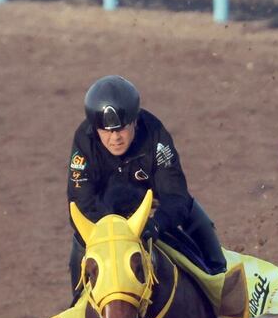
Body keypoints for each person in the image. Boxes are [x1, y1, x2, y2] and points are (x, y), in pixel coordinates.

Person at [66, 75, 227, 302]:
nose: (115, 138)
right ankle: (77, 306)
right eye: (106, 131)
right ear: (95, 128)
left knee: (199, 221)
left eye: (121, 129)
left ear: (134, 121)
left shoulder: (156, 135)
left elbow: (175, 195)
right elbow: (80, 202)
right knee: (79, 245)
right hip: (107, 217)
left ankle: (221, 284)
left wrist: (156, 224)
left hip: (153, 211)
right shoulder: (84, 141)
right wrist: (115, 232)